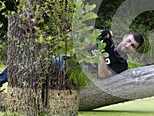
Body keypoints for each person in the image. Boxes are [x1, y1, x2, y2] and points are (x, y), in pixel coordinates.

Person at [0, 30, 144, 88]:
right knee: (31, 61)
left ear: (135, 50)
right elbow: (81, 48)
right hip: (68, 62)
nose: (128, 45)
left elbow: (103, 75)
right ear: (124, 37)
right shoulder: (108, 42)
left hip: (78, 76)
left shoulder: (122, 64)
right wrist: (99, 37)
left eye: (132, 45)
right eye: (129, 40)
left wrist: (102, 51)